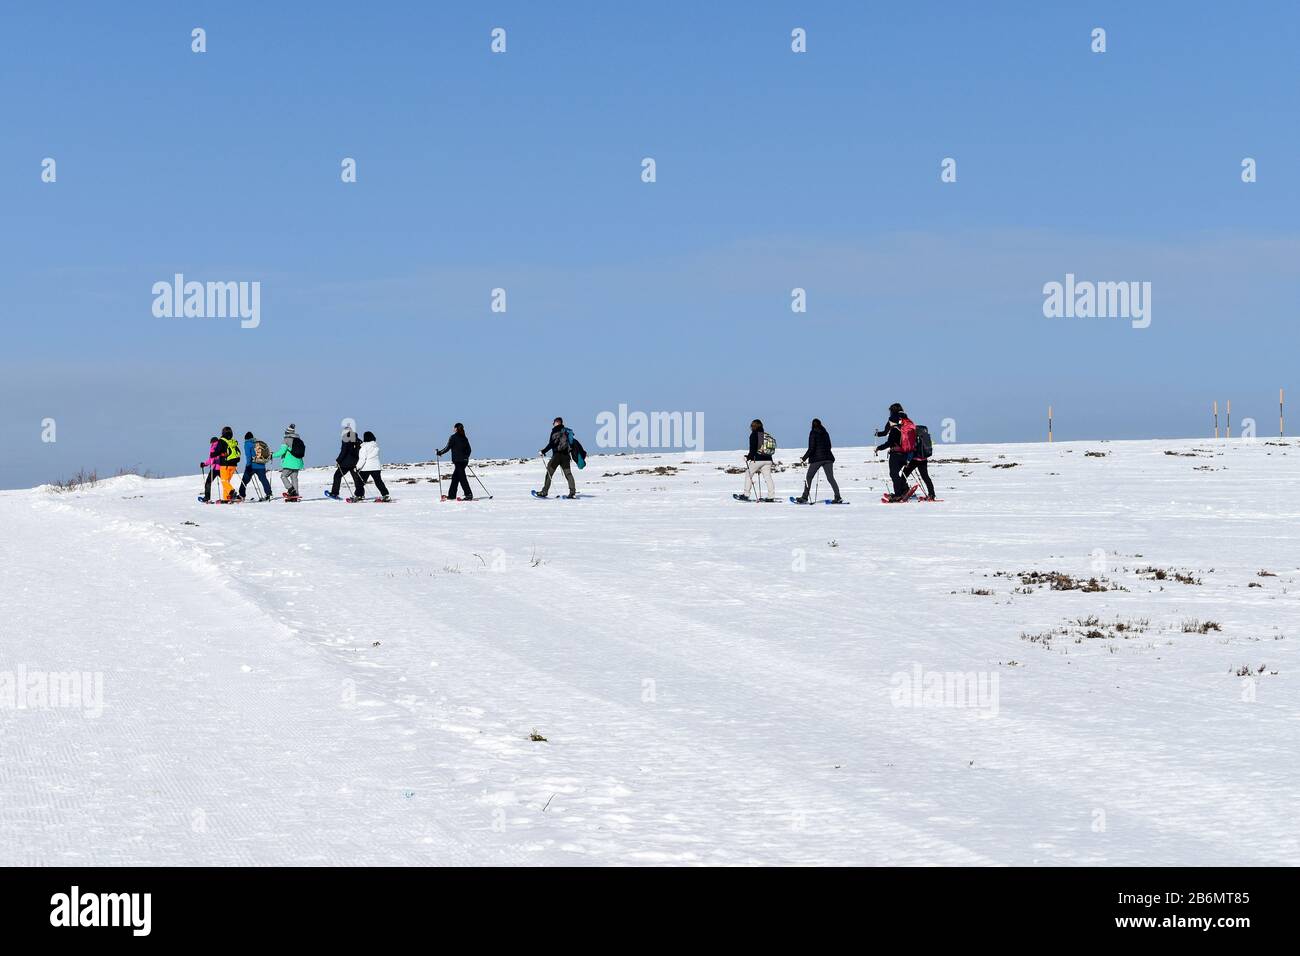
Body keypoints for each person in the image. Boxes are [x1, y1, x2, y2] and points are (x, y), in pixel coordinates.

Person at [796, 418, 842, 503]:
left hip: (817, 459)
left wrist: (803, 458)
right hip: (828, 458)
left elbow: (811, 448)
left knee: (809, 477)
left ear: (812, 425)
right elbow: (829, 446)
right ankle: (838, 497)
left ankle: (804, 497)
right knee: (830, 478)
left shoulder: (813, 433)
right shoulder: (825, 433)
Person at [874, 403, 913, 501]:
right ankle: (904, 490)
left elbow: (889, 443)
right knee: (897, 474)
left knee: (894, 474)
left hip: (895, 455)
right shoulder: (904, 426)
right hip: (905, 453)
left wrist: (879, 448)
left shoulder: (894, 430)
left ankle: (898, 494)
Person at [537, 417, 577, 498]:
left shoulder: (555, 431)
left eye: (554, 422)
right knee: (568, 474)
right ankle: (572, 492)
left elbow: (552, 444)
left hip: (557, 456)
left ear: (557, 422)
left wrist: (543, 451)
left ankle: (544, 492)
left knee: (549, 473)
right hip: (566, 456)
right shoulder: (566, 431)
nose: (553, 424)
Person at [740, 419, 776, 501]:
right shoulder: (766, 435)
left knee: (748, 474)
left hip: (758, 459)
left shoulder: (754, 434)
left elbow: (752, 449)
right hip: (768, 459)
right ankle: (771, 496)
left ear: (753, 426)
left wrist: (748, 457)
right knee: (768, 477)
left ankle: (746, 495)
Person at [436, 423, 473, 501]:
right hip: (464, 462)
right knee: (455, 478)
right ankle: (452, 495)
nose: (453, 428)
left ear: (456, 428)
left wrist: (439, 452)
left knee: (462, 478)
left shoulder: (453, 437)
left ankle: (469, 494)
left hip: (458, 462)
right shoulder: (464, 438)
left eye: (454, 427)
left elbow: (447, 448)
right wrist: (466, 457)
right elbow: (469, 450)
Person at [325, 427, 362, 500]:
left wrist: (338, 460)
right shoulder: (358, 440)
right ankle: (360, 494)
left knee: (337, 476)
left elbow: (343, 451)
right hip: (355, 462)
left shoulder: (346, 438)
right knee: (356, 478)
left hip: (345, 463)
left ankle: (334, 493)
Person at [353, 431, 390, 501]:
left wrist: (357, 467)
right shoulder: (375, 446)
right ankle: (385, 495)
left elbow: (362, 459)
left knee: (360, 483)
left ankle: (359, 496)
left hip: (366, 468)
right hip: (376, 467)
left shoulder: (364, 447)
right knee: (378, 482)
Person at [902, 424, 936, 500]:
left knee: (904, 475)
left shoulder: (915, 438)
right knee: (926, 477)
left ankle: (904, 491)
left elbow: (911, 451)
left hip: (914, 460)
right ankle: (932, 494)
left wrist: (907, 461)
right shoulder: (926, 438)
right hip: (924, 460)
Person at [237, 431, 273, 501]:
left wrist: (248, 465)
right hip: (261, 465)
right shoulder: (257, 442)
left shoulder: (247, 444)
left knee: (244, 481)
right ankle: (269, 494)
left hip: (252, 466)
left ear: (245, 438)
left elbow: (248, 456)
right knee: (264, 480)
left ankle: (241, 495)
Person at [272, 424, 305, 499]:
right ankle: (295, 493)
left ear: (287, 432)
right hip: (298, 463)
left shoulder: (286, 440)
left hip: (289, 463)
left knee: (283, 476)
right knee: (294, 479)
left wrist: (272, 455)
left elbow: (281, 452)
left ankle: (291, 490)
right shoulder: (299, 440)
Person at [215, 425, 241, 501]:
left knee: (224, 481)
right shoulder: (233, 441)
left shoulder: (221, 441)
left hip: (225, 464)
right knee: (227, 482)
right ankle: (227, 498)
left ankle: (231, 492)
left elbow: (217, 451)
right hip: (234, 465)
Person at [200, 436, 220, 502]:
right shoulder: (221, 445)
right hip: (221, 468)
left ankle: (207, 497)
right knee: (224, 482)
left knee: (208, 483)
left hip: (214, 468)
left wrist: (204, 464)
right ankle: (230, 494)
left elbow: (211, 459)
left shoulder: (213, 447)